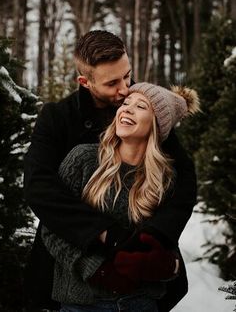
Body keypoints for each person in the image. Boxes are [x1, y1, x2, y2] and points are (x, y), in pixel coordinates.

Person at [24, 30, 197, 312]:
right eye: (112, 83)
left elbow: (183, 182)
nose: (125, 89)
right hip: (76, 268)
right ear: (85, 82)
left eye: (127, 75)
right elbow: (39, 188)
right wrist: (104, 234)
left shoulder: (146, 106)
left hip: (140, 281)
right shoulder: (58, 118)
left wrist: (155, 237)